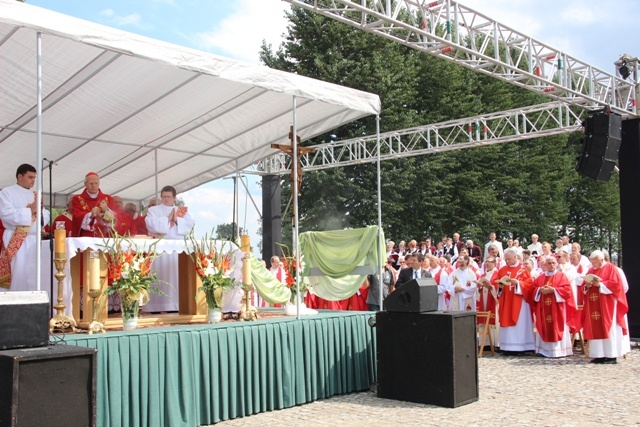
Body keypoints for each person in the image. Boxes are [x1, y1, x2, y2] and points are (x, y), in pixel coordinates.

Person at [143, 185, 195, 312]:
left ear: (174, 197)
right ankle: (155, 306)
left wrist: (177, 220)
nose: (166, 199)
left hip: (176, 249)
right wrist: (167, 219)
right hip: (160, 247)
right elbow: (150, 224)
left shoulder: (182, 211)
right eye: (164, 197)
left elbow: (190, 226)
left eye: (168, 197)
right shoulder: (154, 210)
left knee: (174, 277)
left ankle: (175, 305)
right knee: (159, 276)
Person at [0, 164, 51, 290]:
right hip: (16, 239)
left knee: (33, 272)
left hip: (34, 239)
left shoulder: (35, 195)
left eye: (34, 177)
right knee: (18, 271)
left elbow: (45, 216)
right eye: (30, 177)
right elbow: (6, 214)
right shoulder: (7, 192)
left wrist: (39, 211)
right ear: (20, 176)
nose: (33, 180)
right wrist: (30, 211)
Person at [578, 250, 629, 364]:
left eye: (595, 262)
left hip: (607, 304)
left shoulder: (611, 268)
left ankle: (611, 356)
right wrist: (586, 286)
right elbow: (583, 288)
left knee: (609, 328)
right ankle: (599, 355)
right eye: (592, 261)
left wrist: (600, 284)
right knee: (595, 327)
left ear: (602, 260)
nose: (593, 264)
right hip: (593, 305)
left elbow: (617, 286)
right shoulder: (591, 270)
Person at [532, 256, 577, 358]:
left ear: (556, 264)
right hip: (543, 308)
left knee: (556, 325)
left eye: (553, 263)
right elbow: (533, 289)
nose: (551, 265)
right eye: (549, 263)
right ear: (545, 265)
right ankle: (544, 351)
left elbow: (567, 290)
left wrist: (554, 290)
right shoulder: (541, 277)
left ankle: (559, 351)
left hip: (557, 308)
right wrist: (540, 290)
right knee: (544, 324)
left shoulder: (561, 276)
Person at [493, 247, 535, 354]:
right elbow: (498, 285)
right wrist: (500, 286)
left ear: (515, 257)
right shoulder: (502, 270)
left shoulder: (523, 269)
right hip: (506, 300)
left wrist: (518, 284)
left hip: (518, 300)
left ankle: (521, 347)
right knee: (506, 321)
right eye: (506, 259)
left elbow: (529, 284)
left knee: (519, 323)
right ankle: (507, 347)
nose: (507, 261)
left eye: (509, 259)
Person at [70, 172, 118, 237]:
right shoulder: (77, 199)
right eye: (91, 183)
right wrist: (90, 214)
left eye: (96, 183)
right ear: (85, 184)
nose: (94, 186)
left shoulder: (108, 198)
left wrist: (107, 210)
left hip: (104, 237)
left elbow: (117, 218)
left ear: (99, 183)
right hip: (86, 237)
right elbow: (76, 216)